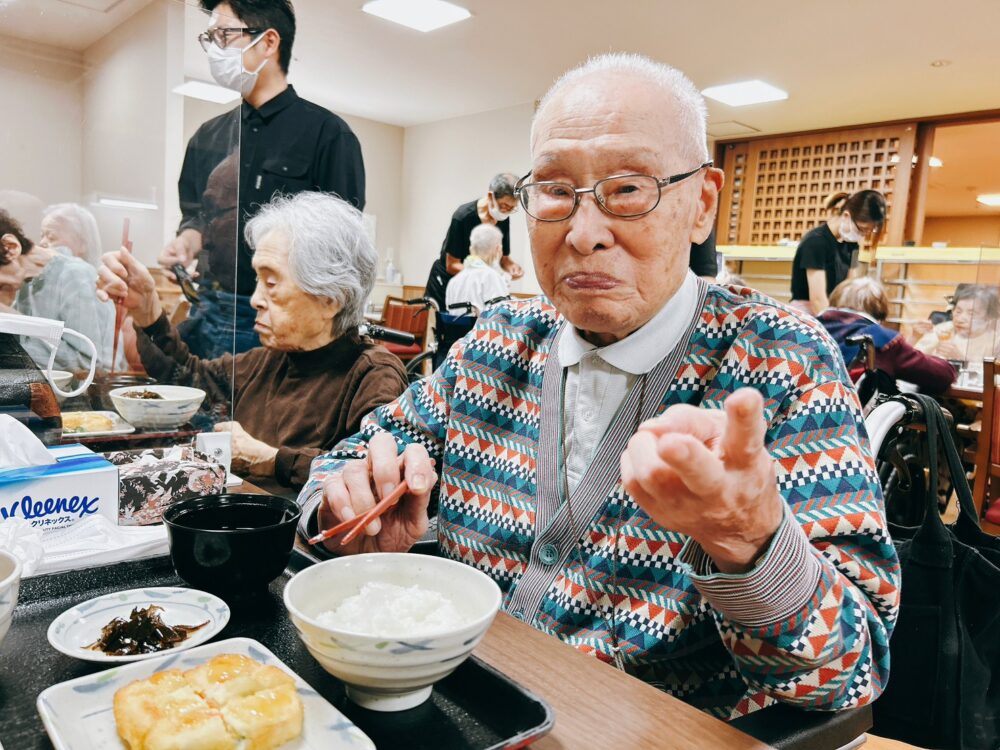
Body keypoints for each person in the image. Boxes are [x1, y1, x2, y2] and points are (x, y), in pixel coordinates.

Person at [298, 54, 900, 719]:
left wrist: (750, 545)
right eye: (555, 190)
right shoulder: (498, 341)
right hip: (451, 708)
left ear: (701, 205)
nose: (583, 235)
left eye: (629, 188)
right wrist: (346, 503)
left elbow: (852, 670)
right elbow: (349, 460)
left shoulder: (783, 361)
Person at [98, 192, 406, 494]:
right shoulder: (269, 360)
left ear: (330, 300)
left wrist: (271, 460)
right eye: (258, 282)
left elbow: (375, 473)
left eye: (271, 284)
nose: (256, 299)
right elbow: (190, 378)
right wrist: (147, 308)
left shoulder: (372, 374)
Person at [161, 0, 366, 359]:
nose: (215, 48)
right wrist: (187, 241)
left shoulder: (328, 135)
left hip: (285, 318)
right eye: (210, 37)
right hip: (209, 308)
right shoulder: (207, 137)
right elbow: (195, 215)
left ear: (269, 42)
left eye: (224, 34)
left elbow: (340, 249)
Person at [0, 208, 122, 373]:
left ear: (11, 247)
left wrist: (16, 320)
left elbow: (88, 364)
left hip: (91, 393)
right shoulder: (25, 283)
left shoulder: (75, 275)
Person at [819, 277, 956, 392]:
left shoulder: (808, 326)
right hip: (854, 419)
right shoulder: (882, 339)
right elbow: (943, 374)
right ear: (880, 311)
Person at [424, 173, 524, 309]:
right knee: (455, 324)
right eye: (504, 206)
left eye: (512, 208)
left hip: (478, 285)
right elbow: (452, 265)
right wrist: (487, 275)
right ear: (491, 197)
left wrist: (512, 269)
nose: (506, 211)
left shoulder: (503, 219)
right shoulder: (463, 217)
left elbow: (504, 259)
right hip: (449, 282)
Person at [789, 190, 886, 315]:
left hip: (832, 310)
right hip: (808, 312)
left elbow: (851, 286)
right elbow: (817, 300)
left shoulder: (853, 244)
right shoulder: (815, 242)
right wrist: (835, 327)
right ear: (846, 216)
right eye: (862, 229)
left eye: (868, 232)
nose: (862, 235)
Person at [914, 283, 1000, 365]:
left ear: (989, 319)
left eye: (971, 314)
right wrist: (915, 336)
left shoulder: (996, 342)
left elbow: (993, 376)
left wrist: (961, 359)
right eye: (958, 311)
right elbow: (913, 359)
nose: (960, 319)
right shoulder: (944, 330)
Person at [445, 224, 509, 313]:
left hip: (456, 327)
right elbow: (502, 316)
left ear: (471, 248)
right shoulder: (492, 277)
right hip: (481, 326)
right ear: (497, 249)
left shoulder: (453, 282)